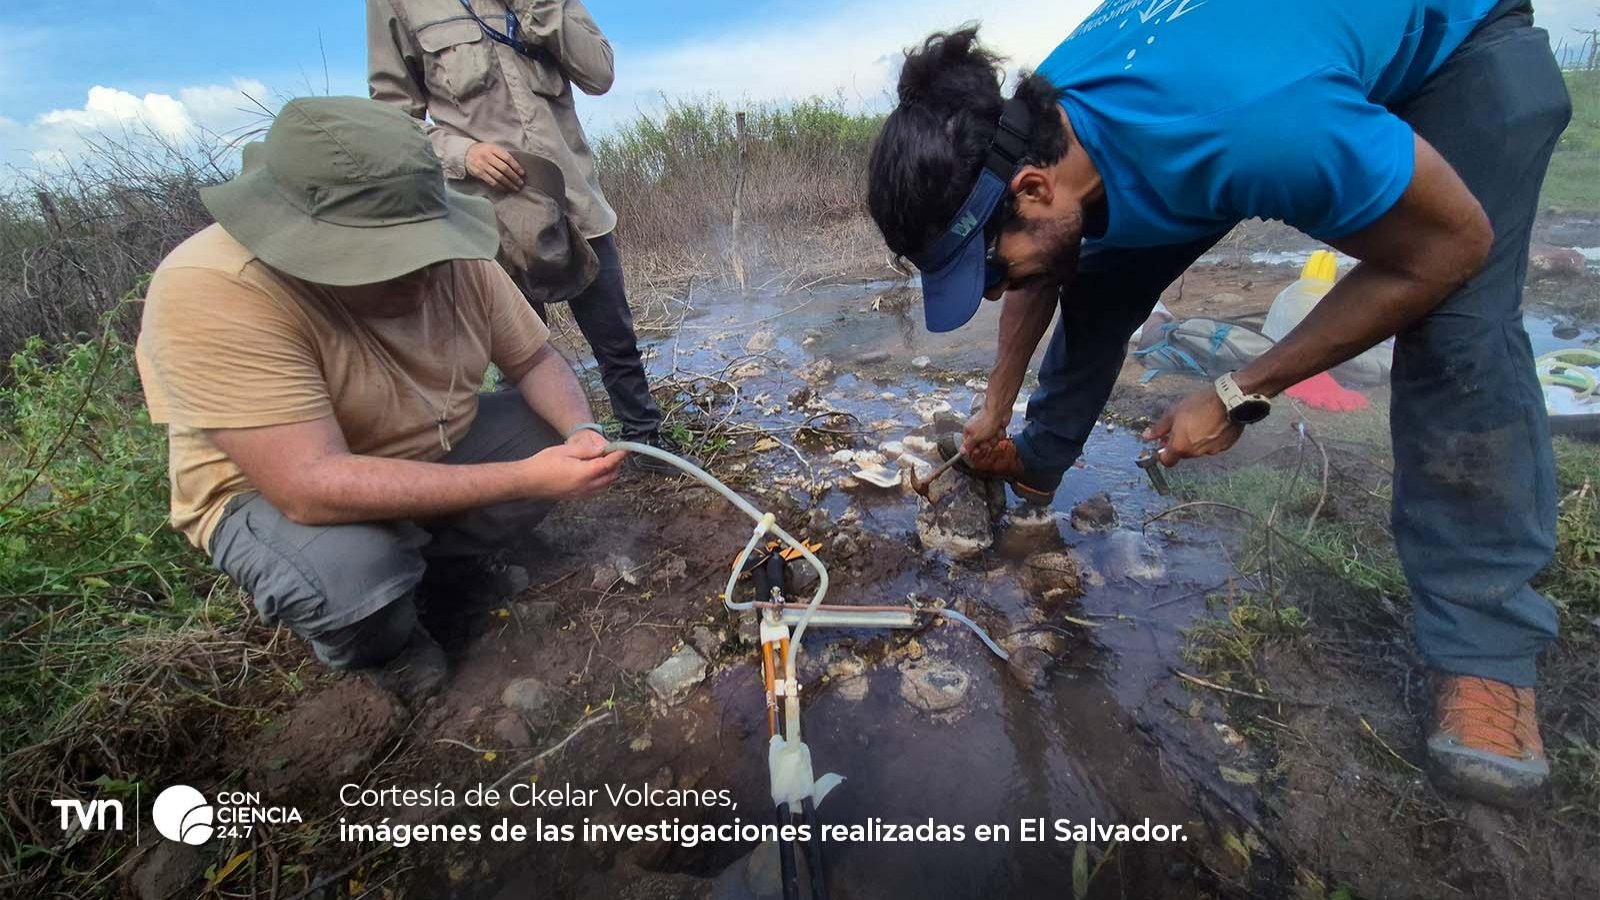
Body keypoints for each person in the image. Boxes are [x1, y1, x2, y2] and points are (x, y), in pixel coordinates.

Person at [866, 0, 1568, 806]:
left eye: (987, 274)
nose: (993, 293)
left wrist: (1238, 390)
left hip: (1455, 51)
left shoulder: (1250, 123)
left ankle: (1486, 652)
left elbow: (1452, 246)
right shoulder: (1045, 126)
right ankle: (1038, 469)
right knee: (1091, 266)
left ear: (1031, 185)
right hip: (1247, 87)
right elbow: (1048, 264)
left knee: (1455, 322)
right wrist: (997, 408)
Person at [135, 97, 626, 705]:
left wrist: (579, 430)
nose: (421, 276)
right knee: (354, 574)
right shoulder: (214, 289)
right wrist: (522, 478)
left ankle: (447, 570)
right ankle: (387, 646)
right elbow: (308, 484)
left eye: (424, 250)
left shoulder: (455, 258)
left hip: (433, 442)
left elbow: (534, 359)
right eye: (389, 259)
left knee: (549, 431)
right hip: (278, 498)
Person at [367, 0, 683, 470]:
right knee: (518, 357)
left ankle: (647, 444)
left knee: (616, 340)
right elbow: (392, 120)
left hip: (575, 202)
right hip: (490, 216)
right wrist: (462, 153)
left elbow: (599, 74)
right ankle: (532, 472)